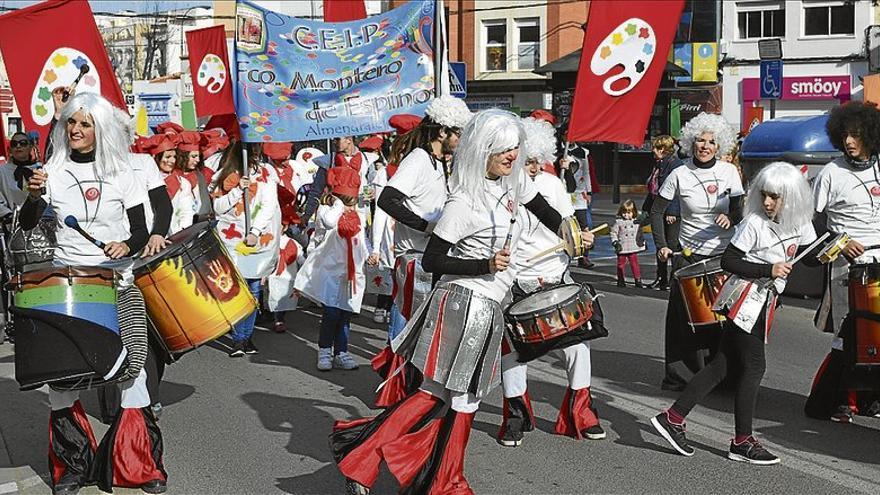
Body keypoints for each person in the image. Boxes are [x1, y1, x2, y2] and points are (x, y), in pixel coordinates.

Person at [330, 109, 595, 494]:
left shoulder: (513, 182)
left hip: (486, 306)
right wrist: (483, 263)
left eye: (515, 148)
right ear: (482, 149)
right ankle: (442, 480)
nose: (512, 155)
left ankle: (371, 458)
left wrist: (573, 233)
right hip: (466, 304)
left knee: (438, 393)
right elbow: (433, 259)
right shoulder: (464, 201)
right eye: (503, 149)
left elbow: (545, 212)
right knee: (460, 397)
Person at [20, 92, 166, 494]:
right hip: (69, 285)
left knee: (131, 371)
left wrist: (128, 245)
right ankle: (72, 467)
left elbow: (140, 229)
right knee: (63, 379)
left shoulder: (124, 171)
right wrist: (33, 196)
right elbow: (30, 221)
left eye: (86, 123)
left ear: (100, 128)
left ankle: (140, 464)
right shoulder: (54, 167)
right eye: (72, 123)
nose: (78, 130)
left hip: (118, 282)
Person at [651, 161, 820, 465]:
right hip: (744, 297)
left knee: (722, 365)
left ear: (791, 198)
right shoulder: (754, 222)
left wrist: (836, 248)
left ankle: (673, 418)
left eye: (775, 197)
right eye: (765, 195)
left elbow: (811, 258)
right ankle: (742, 440)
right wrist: (768, 268)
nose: (767, 202)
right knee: (753, 366)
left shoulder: (801, 221)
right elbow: (729, 261)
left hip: (765, 300)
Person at [497, 117, 606, 449]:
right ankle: (516, 416)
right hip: (518, 281)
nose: (531, 168)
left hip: (557, 277)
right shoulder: (499, 187)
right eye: (525, 160)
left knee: (578, 346)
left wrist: (580, 239)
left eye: (536, 161)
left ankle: (582, 413)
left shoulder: (554, 185)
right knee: (515, 354)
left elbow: (568, 229)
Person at [370, 99, 473, 407]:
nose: (460, 141)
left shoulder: (443, 162)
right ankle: (397, 389)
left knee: (428, 328)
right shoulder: (417, 159)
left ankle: (416, 388)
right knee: (409, 326)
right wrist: (425, 225)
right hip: (414, 257)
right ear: (442, 131)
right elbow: (387, 200)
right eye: (457, 134)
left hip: (434, 258)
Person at [651, 112, 745, 391]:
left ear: (719, 147)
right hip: (689, 256)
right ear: (692, 143)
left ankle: (722, 375)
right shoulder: (679, 173)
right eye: (700, 141)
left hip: (724, 256)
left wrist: (732, 217)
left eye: (711, 142)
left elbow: (740, 207)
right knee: (684, 319)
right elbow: (657, 211)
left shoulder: (729, 172)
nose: (705, 146)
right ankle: (680, 375)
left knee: (722, 318)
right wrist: (663, 246)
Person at [805, 101, 880, 422]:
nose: (850, 140)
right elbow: (809, 224)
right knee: (849, 336)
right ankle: (840, 400)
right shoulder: (831, 173)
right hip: (847, 267)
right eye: (845, 134)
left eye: (857, 134)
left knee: (877, 336)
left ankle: (870, 399)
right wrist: (840, 242)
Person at [294, 166, 367, 371]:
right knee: (331, 314)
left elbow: (362, 240)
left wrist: (368, 256)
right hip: (329, 272)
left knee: (345, 315)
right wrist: (337, 203)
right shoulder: (327, 212)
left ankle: (341, 352)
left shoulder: (356, 215)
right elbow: (328, 222)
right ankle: (324, 351)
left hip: (350, 274)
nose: (352, 207)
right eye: (349, 202)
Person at [212, 140, 280, 357]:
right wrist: (236, 191)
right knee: (236, 289)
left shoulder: (267, 172)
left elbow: (269, 204)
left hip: (256, 241)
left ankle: (245, 337)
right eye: (254, 147)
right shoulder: (226, 173)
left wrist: (256, 231)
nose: (258, 150)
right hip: (231, 240)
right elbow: (218, 208)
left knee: (254, 289)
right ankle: (238, 339)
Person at [263, 141, 298, 333]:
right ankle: (266, 308)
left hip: (286, 214)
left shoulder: (293, 169)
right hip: (269, 219)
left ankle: (279, 312)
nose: (287, 159)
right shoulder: (267, 171)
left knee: (284, 271)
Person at [645, 135, 684, 290]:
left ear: (662, 149)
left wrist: (673, 211)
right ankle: (661, 279)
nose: (652, 151)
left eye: (655, 147)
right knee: (660, 245)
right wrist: (647, 209)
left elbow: (676, 190)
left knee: (672, 246)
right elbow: (654, 189)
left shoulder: (675, 165)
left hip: (670, 211)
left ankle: (675, 279)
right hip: (658, 209)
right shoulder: (659, 164)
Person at [142, 133, 194, 235]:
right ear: (155, 157)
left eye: (174, 157)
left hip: (171, 237)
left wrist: (180, 234)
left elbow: (186, 212)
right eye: (168, 156)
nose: (172, 161)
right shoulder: (142, 181)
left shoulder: (182, 184)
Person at [176, 130, 214, 223]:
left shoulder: (203, 174)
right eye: (193, 156)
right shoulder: (174, 176)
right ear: (183, 156)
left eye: (198, 156)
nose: (197, 160)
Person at [611, 199, 647, 288]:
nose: (626, 215)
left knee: (634, 264)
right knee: (620, 264)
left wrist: (642, 241)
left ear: (633, 212)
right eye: (624, 213)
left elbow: (640, 232)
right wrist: (615, 242)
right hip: (622, 246)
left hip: (633, 246)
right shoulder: (618, 222)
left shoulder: (636, 221)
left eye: (629, 213)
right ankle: (621, 279)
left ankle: (638, 279)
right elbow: (613, 232)